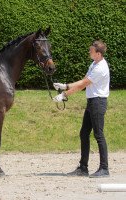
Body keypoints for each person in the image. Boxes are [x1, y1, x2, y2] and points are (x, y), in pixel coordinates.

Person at [52, 40, 110, 178]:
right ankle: (83, 168)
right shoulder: (94, 64)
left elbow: (83, 84)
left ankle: (104, 168)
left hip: (98, 102)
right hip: (91, 102)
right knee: (84, 133)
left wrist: (65, 92)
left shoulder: (100, 67)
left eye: (91, 50)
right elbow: (83, 81)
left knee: (99, 135)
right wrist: (65, 86)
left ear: (98, 53)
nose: (89, 52)